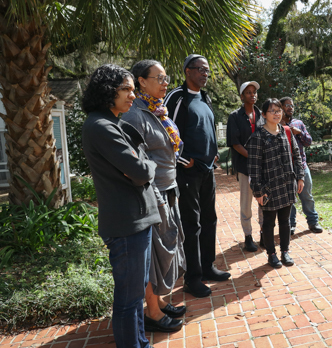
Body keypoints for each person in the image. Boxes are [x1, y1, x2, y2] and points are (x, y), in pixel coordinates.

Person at [81, 64, 161, 348]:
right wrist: (148, 166)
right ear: (107, 91)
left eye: (132, 89)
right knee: (129, 300)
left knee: (135, 294)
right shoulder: (101, 126)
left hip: (136, 220)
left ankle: (140, 342)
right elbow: (140, 170)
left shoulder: (113, 121)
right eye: (125, 89)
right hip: (127, 225)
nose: (132, 95)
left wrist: (142, 167)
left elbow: (137, 168)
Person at [121, 60, 186, 332]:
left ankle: (158, 301)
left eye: (166, 77)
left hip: (169, 189)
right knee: (155, 254)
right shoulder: (135, 116)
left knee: (165, 252)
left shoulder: (158, 110)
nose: (165, 82)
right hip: (153, 194)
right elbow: (139, 163)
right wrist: (158, 197)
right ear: (141, 81)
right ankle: (153, 312)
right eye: (158, 78)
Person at [165, 54, 229, 298]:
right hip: (188, 170)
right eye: (200, 69)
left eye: (207, 70)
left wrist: (213, 155)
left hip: (207, 169)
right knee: (192, 224)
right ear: (187, 71)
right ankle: (192, 277)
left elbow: (208, 129)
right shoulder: (176, 96)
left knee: (209, 218)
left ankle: (207, 267)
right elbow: (165, 129)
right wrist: (184, 160)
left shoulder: (205, 97)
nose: (205, 74)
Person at [246, 98, 305, 268]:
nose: (277, 113)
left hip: (287, 185)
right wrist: (258, 192)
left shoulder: (286, 131)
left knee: (285, 221)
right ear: (264, 114)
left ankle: (285, 251)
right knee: (269, 223)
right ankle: (271, 254)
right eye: (272, 111)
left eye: (278, 110)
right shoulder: (257, 137)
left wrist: (299, 177)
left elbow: (297, 155)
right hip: (268, 188)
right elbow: (254, 167)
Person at [227, 81, 265, 252]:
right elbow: (235, 143)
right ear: (242, 96)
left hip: (263, 167)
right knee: (246, 203)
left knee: (264, 200)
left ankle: (265, 233)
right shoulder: (234, 117)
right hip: (245, 167)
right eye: (248, 92)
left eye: (254, 92)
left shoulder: (262, 115)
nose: (252, 95)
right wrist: (253, 157)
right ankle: (248, 236)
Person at [280, 97, 323, 235]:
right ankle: (291, 225)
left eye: (292, 105)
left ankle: (313, 222)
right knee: (289, 199)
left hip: (301, 166)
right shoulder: (276, 124)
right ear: (280, 108)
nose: (290, 108)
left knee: (307, 195)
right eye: (287, 105)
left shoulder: (299, 123)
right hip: (285, 168)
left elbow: (309, 141)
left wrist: (300, 133)